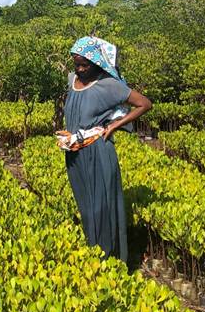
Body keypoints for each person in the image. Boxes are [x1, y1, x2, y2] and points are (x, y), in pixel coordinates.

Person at [59, 36, 151, 262]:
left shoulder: (109, 85)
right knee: (86, 206)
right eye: (76, 64)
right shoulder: (72, 79)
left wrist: (115, 125)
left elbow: (145, 104)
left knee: (102, 206)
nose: (80, 69)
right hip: (75, 155)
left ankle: (110, 259)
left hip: (98, 153)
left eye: (85, 65)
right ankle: (94, 253)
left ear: (97, 62)